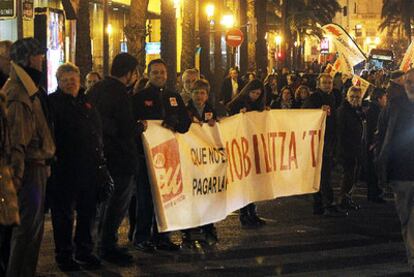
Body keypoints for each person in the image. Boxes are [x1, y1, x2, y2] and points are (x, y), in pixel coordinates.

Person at [3, 37, 55, 277]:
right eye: (38, 55)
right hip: (29, 171)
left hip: (35, 167)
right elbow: (17, 142)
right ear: (26, 59)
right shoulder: (19, 93)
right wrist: (18, 178)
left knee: (31, 233)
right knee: (26, 232)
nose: (42, 59)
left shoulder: (27, 89)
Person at [48, 63, 106, 271]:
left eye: (74, 79)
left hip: (89, 168)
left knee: (88, 212)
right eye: (66, 80)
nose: (71, 83)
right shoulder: (52, 103)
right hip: (64, 168)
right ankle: (64, 254)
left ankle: (84, 250)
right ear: (59, 82)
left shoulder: (86, 101)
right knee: (63, 215)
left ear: (79, 80)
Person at [132, 58, 191, 252]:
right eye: (155, 72)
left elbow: (185, 123)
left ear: (167, 75)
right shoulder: (140, 97)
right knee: (146, 198)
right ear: (148, 74)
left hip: (169, 157)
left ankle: (163, 237)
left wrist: (175, 121)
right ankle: (141, 237)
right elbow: (133, 123)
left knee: (167, 197)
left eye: (162, 72)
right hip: (145, 157)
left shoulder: (174, 97)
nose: (159, 75)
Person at [88, 53, 140, 265]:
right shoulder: (120, 93)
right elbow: (125, 127)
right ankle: (107, 245)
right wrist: (139, 127)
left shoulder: (96, 89)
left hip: (100, 156)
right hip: (119, 157)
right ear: (128, 73)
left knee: (102, 204)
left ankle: (97, 243)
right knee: (117, 203)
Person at [376, 69, 414, 272]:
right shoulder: (394, 106)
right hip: (401, 173)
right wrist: (380, 164)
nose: (411, 85)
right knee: (406, 217)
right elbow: (382, 134)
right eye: (408, 82)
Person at [303, 73, 347, 217]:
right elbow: (304, 114)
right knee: (323, 175)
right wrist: (317, 112)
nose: (328, 85)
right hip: (318, 142)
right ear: (319, 84)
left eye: (330, 82)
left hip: (330, 140)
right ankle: (326, 203)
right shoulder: (314, 98)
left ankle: (320, 204)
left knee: (324, 174)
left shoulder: (334, 97)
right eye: (325, 83)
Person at [227, 79, 267, 227]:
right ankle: (245, 214)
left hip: (253, 146)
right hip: (242, 146)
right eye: (253, 93)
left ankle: (253, 212)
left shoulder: (258, 105)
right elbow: (230, 117)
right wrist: (239, 114)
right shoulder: (238, 103)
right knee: (245, 181)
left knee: (253, 182)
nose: (255, 96)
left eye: (258, 94)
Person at [184, 79, 218, 246]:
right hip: (191, 159)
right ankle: (189, 231)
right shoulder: (186, 110)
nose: (199, 96)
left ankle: (208, 228)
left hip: (206, 161)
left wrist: (214, 125)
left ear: (207, 95)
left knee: (207, 195)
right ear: (191, 94)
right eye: (196, 92)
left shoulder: (212, 110)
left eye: (202, 93)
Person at [336, 86, 366, 211]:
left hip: (356, 148)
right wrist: (340, 150)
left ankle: (347, 198)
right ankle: (343, 199)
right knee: (348, 176)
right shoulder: (343, 111)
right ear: (347, 97)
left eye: (357, 97)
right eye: (352, 97)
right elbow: (339, 132)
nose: (354, 99)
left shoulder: (357, 111)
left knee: (353, 175)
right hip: (347, 149)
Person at [365, 88, 387, 203]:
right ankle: (374, 194)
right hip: (374, 145)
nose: (386, 100)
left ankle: (375, 193)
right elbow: (374, 129)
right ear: (379, 99)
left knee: (374, 170)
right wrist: (374, 143)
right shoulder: (375, 111)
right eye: (384, 98)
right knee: (374, 171)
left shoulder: (375, 109)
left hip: (373, 144)